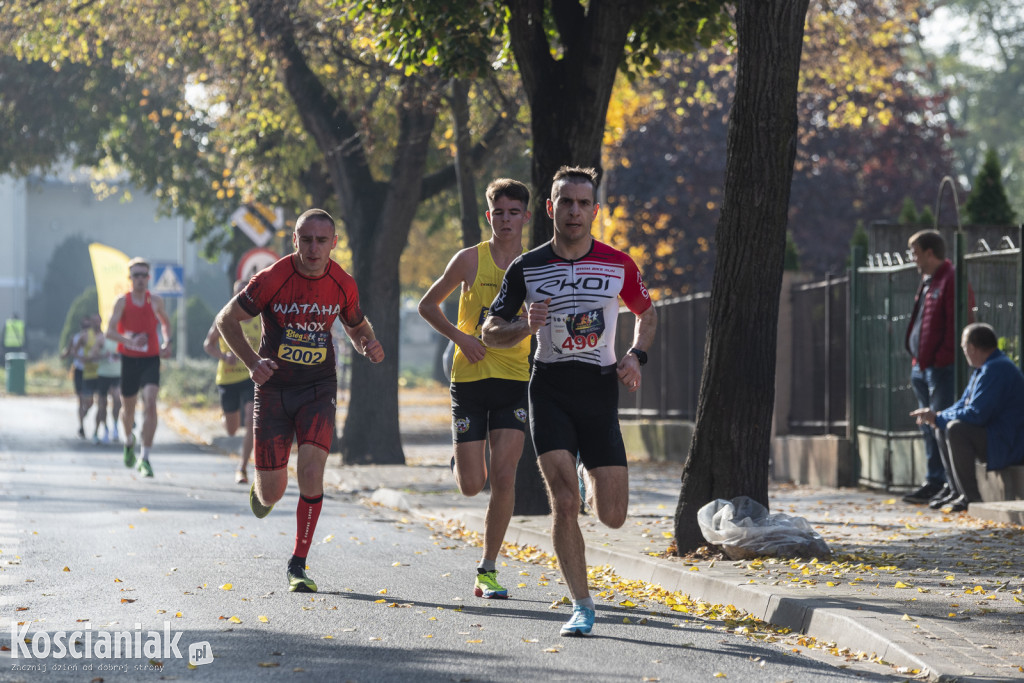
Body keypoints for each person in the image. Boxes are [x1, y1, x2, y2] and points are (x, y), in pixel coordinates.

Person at [482, 166, 657, 636]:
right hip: (550, 386)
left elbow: (647, 313)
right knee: (562, 501)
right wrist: (524, 327)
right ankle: (581, 605)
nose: (574, 211)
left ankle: (585, 470)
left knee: (613, 516)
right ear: (551, 208)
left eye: (583, 203)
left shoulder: (618, 263)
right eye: (566, 202)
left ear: (595, 210)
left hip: (599, 389)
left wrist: (636, 356)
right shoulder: (527, 267)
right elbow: (490, 330)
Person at [215, 208, 384, 594]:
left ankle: (299, 561)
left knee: (311, 472)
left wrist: (367, 344)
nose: (313, 247)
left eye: (321, 240)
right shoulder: (273, 278)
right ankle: (262, 488)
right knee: (272, 491)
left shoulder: (342, 283)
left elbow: (357, 325)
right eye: (305, 239)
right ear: (294, 240)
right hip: (273, 388)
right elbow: (227, 319)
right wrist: (253, 362)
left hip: (317, 387)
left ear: (333, 243)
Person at [417, 178, 532, 600]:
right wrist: (459, 337)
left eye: (513, 212)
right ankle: (460, 459)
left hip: (515, 379)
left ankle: (487, 569)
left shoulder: (536, 264)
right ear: (489, 216)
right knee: (471, 484)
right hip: (469, 377)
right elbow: (427, 305)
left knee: (504, 477)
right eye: (498, 212)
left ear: (526, 216)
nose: (505, 219)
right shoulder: (469, 260)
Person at [911, 323, 1024, 512]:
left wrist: (938, 418)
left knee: (955, 429)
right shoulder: (984, 368)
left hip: (1007, 441)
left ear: (972, 347)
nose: (963, 351)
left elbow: (976, 414)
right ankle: (957, 491)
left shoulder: (996, 369)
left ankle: (971, 498)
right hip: (995, 436)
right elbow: (962, 405)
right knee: (943, 427)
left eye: (963, 346)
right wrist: (937, 417)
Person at [902, 230, 973, 505]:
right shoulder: (929, 280)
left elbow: (958, 321)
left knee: (939, 423)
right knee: (927, 426)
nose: (913, 259)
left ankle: (947, 483)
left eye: (915, 252)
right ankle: (934, 480)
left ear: (929, 252)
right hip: (922, 365)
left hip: (939, 367)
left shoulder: (951, 278)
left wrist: (942, 357)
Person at [105, 257, 173, 478]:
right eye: (136, 275)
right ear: (130, 278)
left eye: (144, 275)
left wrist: (166, 342)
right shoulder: (122, 302)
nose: (141, 279)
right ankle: (128, 441)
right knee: (128, 409)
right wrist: (128, 340)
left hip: (151, 358)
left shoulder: (155, 302)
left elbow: (165, 323)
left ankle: (145, 458)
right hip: (129, 360)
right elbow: (110, 332)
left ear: (149, 278)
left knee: (151, 403)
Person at [204, 279, 261, 484]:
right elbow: (208, 345)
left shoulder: (259, 319)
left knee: (252, 419)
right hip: (228, 379)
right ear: (234, 295)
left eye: (247, 293)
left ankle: (243, 467)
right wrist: (223, 356)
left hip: (250, 376)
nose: (244, 297)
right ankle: (226, 416)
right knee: (231, 429)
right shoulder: (225, 317)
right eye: (240, 293)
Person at [62, 315, 103, 439]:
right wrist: (81, 359)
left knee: (91, 402)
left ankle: (85, 412)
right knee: (81, 399)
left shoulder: (101, 336)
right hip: (80, 371)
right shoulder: (78, 337)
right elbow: (72, 350)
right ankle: (81, 426)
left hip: (95, 372)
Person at [93, 321, 122, 445]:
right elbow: (93, 356)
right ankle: (104, 429)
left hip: (117, 375)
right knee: (102, 404)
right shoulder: (101, 339)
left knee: (117, 399)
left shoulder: (122, 338)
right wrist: (104, 355)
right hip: (103, 375)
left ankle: (115, 426)